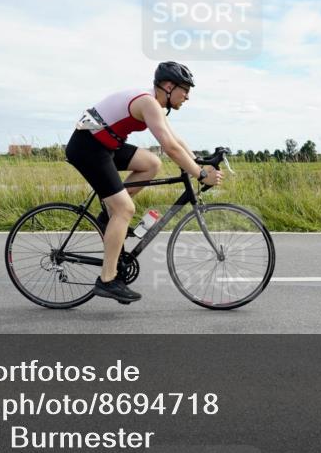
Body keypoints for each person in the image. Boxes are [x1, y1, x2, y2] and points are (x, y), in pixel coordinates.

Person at [65, 61, 224, 303]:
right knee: (125, 209)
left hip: (106, 144)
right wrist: (200, 174)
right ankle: (107, 280)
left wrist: (197, 161)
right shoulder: (148, 102)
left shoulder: (155, 104)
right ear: (169, 86)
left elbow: (175, 139)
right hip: (87, 147)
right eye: (185, 90)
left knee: (151, 163)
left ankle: (108, 217)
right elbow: (169, 147)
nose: (187, 97)